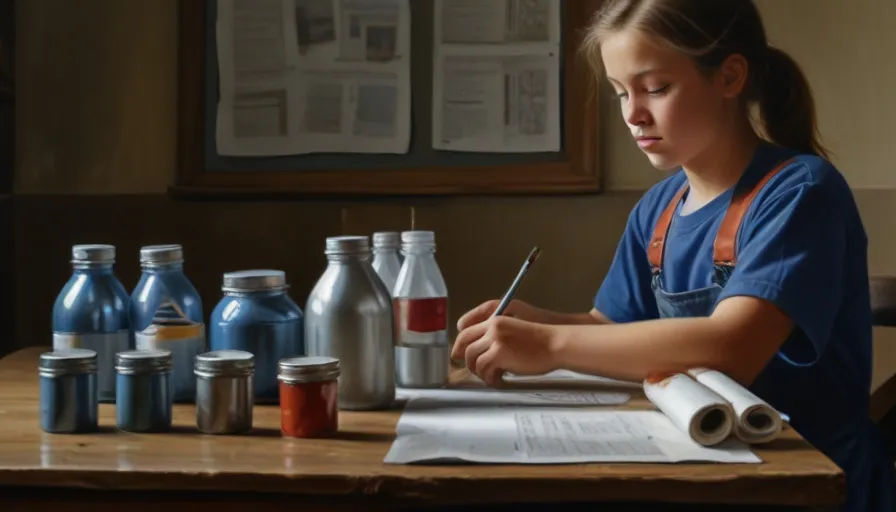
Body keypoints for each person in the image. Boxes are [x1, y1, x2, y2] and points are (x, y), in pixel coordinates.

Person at [450, 1, 896, 511]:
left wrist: (550, 343)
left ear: (729, 76)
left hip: (813, 486)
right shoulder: (658, 210)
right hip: (705, 471)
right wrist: (536, 322)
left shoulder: (801, 193)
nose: (632, 114)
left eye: (655, 89)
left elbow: (732, 346)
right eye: (621, 92)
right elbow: (609, 325)